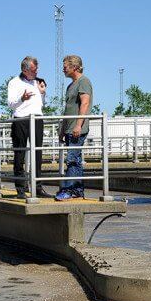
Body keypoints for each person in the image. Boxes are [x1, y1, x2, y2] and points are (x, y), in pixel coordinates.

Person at [6, 56, 53, 198]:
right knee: (19, 154)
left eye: (37, 69)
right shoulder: (14, 82)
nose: (36, 72)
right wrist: (22, 98)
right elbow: (10, 103)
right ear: (25, 70)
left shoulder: (38, 82)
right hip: (21, 119)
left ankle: (38, 187)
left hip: (37, 118)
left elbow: (41, 104)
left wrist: (43, 93)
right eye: (34, 69)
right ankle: (20, 189)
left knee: (38, 153)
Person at [55, 54, 92, 201]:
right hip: (69, 128)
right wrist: (62, 129)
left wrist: (78, 125)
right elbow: (68, 109)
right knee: (75, 159)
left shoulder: (84, 82)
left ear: (74, 67)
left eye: (65, 67)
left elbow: (85, 103)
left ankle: (70, 190)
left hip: (77, 128)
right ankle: (77, 190)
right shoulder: (71, 85)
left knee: (71, 159)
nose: (63, 70)